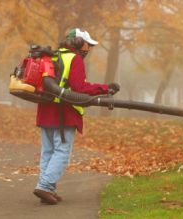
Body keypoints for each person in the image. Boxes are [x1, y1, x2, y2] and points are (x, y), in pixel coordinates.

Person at [33, 28, 120, 204]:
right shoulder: (75, 58)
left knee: (48, 151)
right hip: (63, 113)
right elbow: (80, 88)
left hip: (45, 110)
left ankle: (47, 188)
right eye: (88, 44)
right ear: (79, 42)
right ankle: (45, 186)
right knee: (62, 152)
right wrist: (105, 88)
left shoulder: (54, 55)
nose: (89, 49)